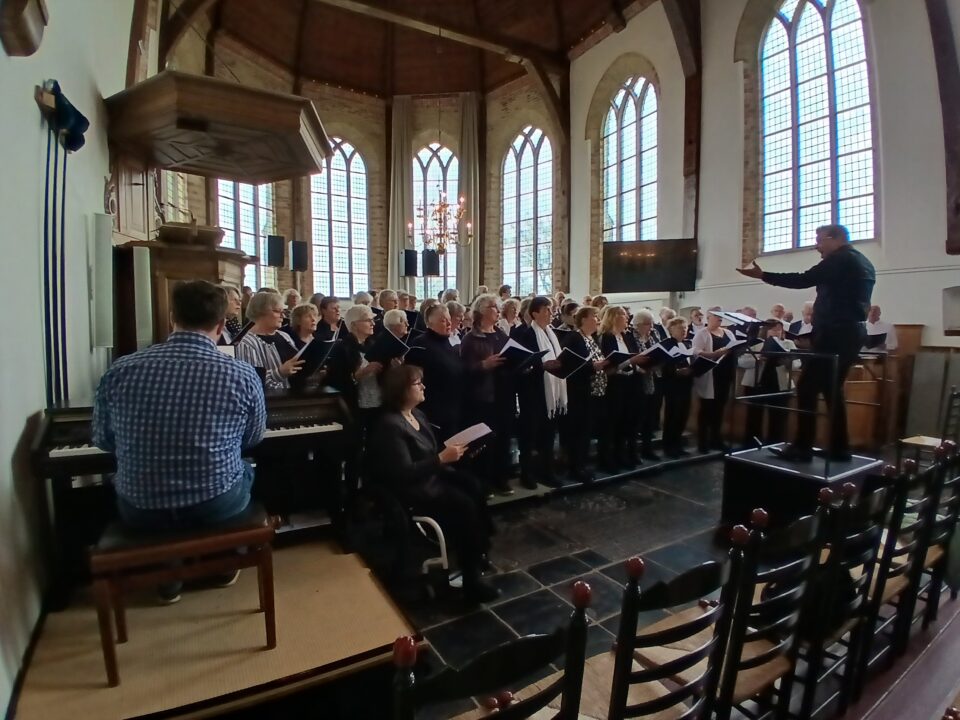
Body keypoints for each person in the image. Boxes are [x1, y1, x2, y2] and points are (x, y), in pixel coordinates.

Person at [92, 280, 266, 604]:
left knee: (122, 480)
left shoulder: (121, 370)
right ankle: (223, 563)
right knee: (245, 468)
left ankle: (168, 573)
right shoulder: (241, 375)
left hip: (140, 508)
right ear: (219, 325)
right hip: (216, 503)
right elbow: (253, 439)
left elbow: (104, 441)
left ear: (172, 318)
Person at [737, 223, 876, 461]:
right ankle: (840, 448)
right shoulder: (863, 261)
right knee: (833, 392)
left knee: (806, 388)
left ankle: (802, 448)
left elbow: (804, 279)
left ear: (835, 239)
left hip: (835, 334)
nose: (816, 246)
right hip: (850, 333)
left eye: (820, 240)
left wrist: (764, 276)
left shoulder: (840, 259)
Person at [369, 365, 498, 604]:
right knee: (465, 505)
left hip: (431, 476)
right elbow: (403, 473)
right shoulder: (389, 425)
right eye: (418, 383)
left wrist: (459, 452)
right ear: (402, 390)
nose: (423, 387)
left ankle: (479, 548)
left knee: (475, 485)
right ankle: (472, 580)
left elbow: (432, 452)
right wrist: (441, 458)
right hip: (414, 491)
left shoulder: (418, 415)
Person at [460, 294, 513, 494]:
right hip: (483, 396)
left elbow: (510, 355)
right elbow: (463, 370)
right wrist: (484, 365)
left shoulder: (500, 334)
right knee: (485, 441)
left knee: (504, 438)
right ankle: (484, 482)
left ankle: (502, 478)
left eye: (498, 307)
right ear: (481, 311)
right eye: (493, 307)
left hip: (504, 393)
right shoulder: (471, 338)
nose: (498, 310)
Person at [512, 296, 567, 487]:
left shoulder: (552, 334)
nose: (551, 313)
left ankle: (547, 471)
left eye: (552, 310)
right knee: (529, 435)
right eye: (547, 310)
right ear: (535, 313)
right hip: (532, 392)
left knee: (549, 434)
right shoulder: (524, 334)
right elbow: (518, 364)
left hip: (551, 392)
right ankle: (527, 474)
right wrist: (540, 366)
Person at [405, 304, 465, 442]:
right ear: (430, 323)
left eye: (449, 319)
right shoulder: (420, 344)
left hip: (454, 405)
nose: (449, 323)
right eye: (443, 320)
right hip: (433, 408)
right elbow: (413, 377)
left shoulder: (450, 342)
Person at [562, 306, 609, 482]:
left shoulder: (592, 337)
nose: (597, 319)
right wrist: (592, 366)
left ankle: (582, 464)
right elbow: (569, 362)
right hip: (578, 392)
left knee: (586, 430)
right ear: (583, 320)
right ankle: (575, 466)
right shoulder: (574, 337)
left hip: (593, 390)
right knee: (578, 430)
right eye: (594, 316)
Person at [598, 306, 646, 471]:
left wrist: (639, 365)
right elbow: (609, 364)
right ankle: (606, 460)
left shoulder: (627, 336)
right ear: (614, 317)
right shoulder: (607, 337)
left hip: (630, 383)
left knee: (626, 422)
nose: (627, 318)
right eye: (624, 316)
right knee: (611, 423)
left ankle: (621, 456)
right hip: (614, 384)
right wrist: (629, 362)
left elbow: (633, 356)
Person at [738, 319, 799, 446]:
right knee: (754, 416)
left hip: (780, 384)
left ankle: (775, 443)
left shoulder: (788, 343)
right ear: (765, 330)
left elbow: (798, 363)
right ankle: (751, 443)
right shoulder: (756, 343)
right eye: (773, 329)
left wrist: (788, 363)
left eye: (779, 329)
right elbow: (742, 361)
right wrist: (758, 359)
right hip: (757, 383)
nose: (776, 332)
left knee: (778, 417)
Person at [235, 291, 303, 391]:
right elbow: (251, 381)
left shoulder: (285, 336)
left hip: (295, 395)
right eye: (277, 311)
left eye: (282, 312)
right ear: (260, 311)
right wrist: (279, 372)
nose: (282, 316)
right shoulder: (247, 343)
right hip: (272, 401)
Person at [692, 309, 737, 453]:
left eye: (721, 317)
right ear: (708, 318)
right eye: (716, 316)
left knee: (719, 409)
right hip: (710, 375)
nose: (719, 319)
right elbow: (695, 352)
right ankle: (702, 442)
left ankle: (716, 439)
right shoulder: (702, 333)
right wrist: (714, 354)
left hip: (725, 375)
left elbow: (733, 348)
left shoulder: (728, 333)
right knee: (706, 409)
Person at [660, 317, 695, 457]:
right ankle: (669, 447)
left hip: (686, 384)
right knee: (672, 416)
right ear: (671, 329)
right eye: (681, 328)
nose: (684, 331)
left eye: (686, 328)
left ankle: (678, 445)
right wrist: (676, 372)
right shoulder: (666, 344)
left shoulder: (687, 344)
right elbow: (664, 366)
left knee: (683, 416)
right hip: (673, 385)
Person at [630, 309, 661, 460]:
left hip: (651, 379)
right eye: (648, 324)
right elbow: (631, 358)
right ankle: (633, 452)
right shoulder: (631, 337)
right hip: (636, 381)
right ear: (638, 324)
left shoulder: (652, 336)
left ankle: (648, 449)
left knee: (650, 417)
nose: (651, 327)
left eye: (652, 323)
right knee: (637, 418)